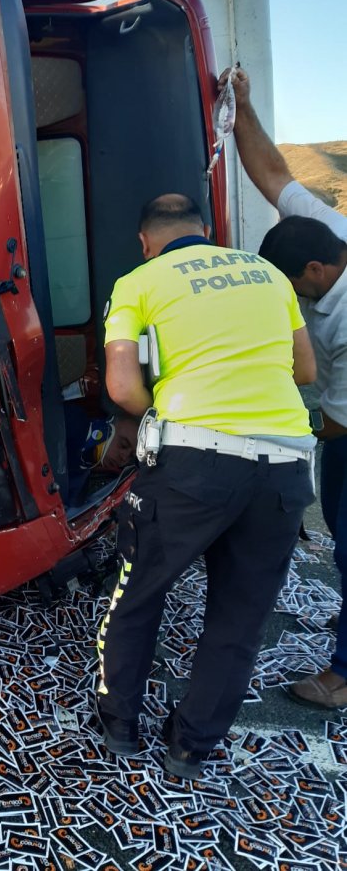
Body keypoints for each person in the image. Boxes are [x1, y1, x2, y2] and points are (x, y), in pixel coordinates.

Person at [97, 193, 316, 779]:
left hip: (195, 460)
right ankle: (191, 747)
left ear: (147, 242)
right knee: (239, 617)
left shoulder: (139, 281)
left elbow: (122, 386)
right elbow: (304, 371)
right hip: (285, 464)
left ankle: (119, 721)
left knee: (139, 591)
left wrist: (159, 416)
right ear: (208, 231)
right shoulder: (268, 274)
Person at [226, 67, 347, 708]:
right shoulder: (322, 233)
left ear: (315, 271)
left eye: (290, 288)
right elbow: (273, 173)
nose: (286, 300)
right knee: (335, 517)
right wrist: (242, 106)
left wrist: (269, 432)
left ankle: (343, 676)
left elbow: (337, 423)